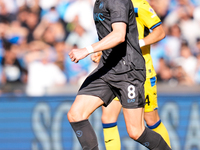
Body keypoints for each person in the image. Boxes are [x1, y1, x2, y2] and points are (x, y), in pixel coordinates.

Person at [67, 0, 172, 149]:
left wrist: (87, 49)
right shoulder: (99, 2)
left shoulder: (121, 2)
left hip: (129, 70)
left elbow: (119, 35)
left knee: (137, 130)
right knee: (76, 115)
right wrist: (101, 50)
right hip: (108, 68)